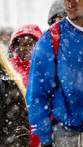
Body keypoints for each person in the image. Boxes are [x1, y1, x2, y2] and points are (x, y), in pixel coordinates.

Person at [26, 0, 83, 146]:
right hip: (68, 136)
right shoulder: (51, 39)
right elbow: (37, 95)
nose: (70, 3)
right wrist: (45, 139)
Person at [9, 24, 42, 147]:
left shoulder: (45, 66)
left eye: (31, 44)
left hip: (41, 124)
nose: (28, 48)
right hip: (16, 124)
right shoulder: (9, 67)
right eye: (24, 44)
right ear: (17, 46)